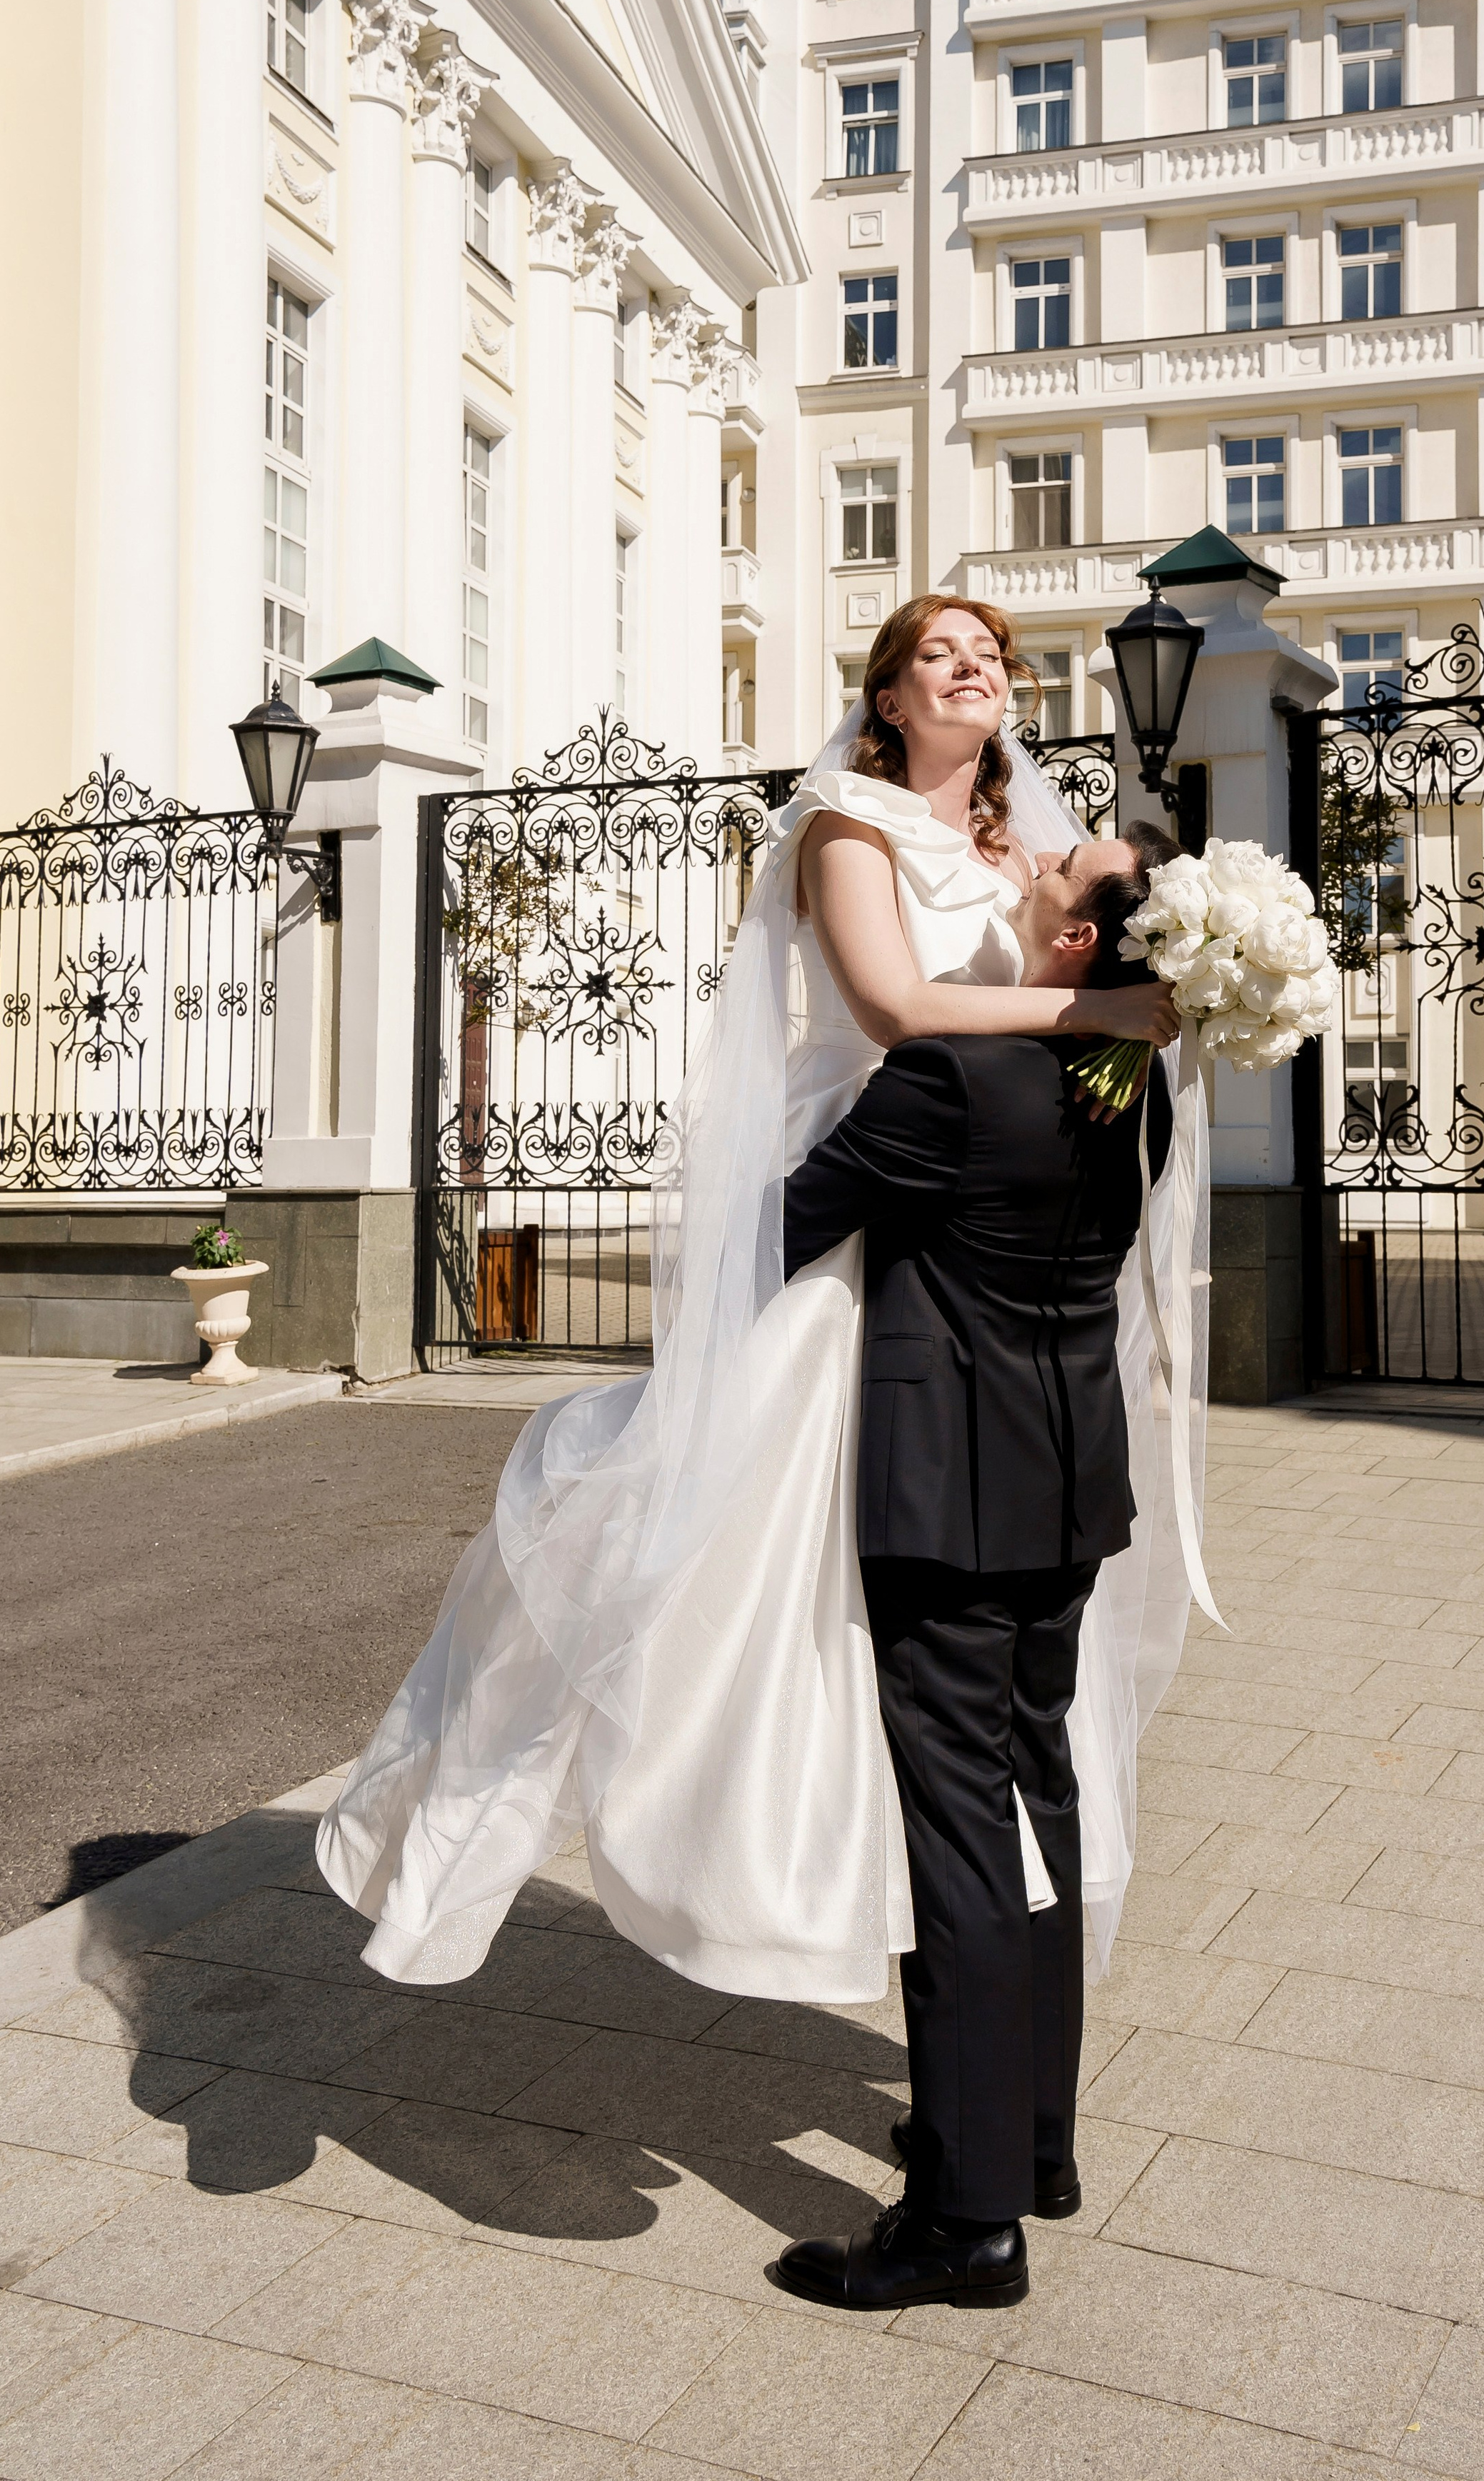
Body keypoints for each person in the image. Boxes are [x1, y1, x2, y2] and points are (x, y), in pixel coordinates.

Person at [317, 596, 1208, 2165]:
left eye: (990, 654)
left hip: (964, 1214)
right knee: (791, 1616)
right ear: (879, 695)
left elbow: (1030, 992)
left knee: (969, 1735)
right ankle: (999, 2110)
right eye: (938, 652)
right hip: (885, 1193)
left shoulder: (1028, 851)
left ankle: (992, 2133)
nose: (974, 670)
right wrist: (1094, 1010)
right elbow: (892, 1012)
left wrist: (1098, 1009)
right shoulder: (843, 823)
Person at [768, 853, 1173, 2314]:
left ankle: (963, 2222)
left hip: (945, 1503)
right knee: (1039, 1801)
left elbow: (781, 1231)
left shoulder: (945, 1078)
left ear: (1068, 936)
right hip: (1068, 1486)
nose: (1029, 855)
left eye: (1060, 868)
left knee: (957, 1842)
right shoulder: (1137, 1083)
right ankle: (1033, 2142)